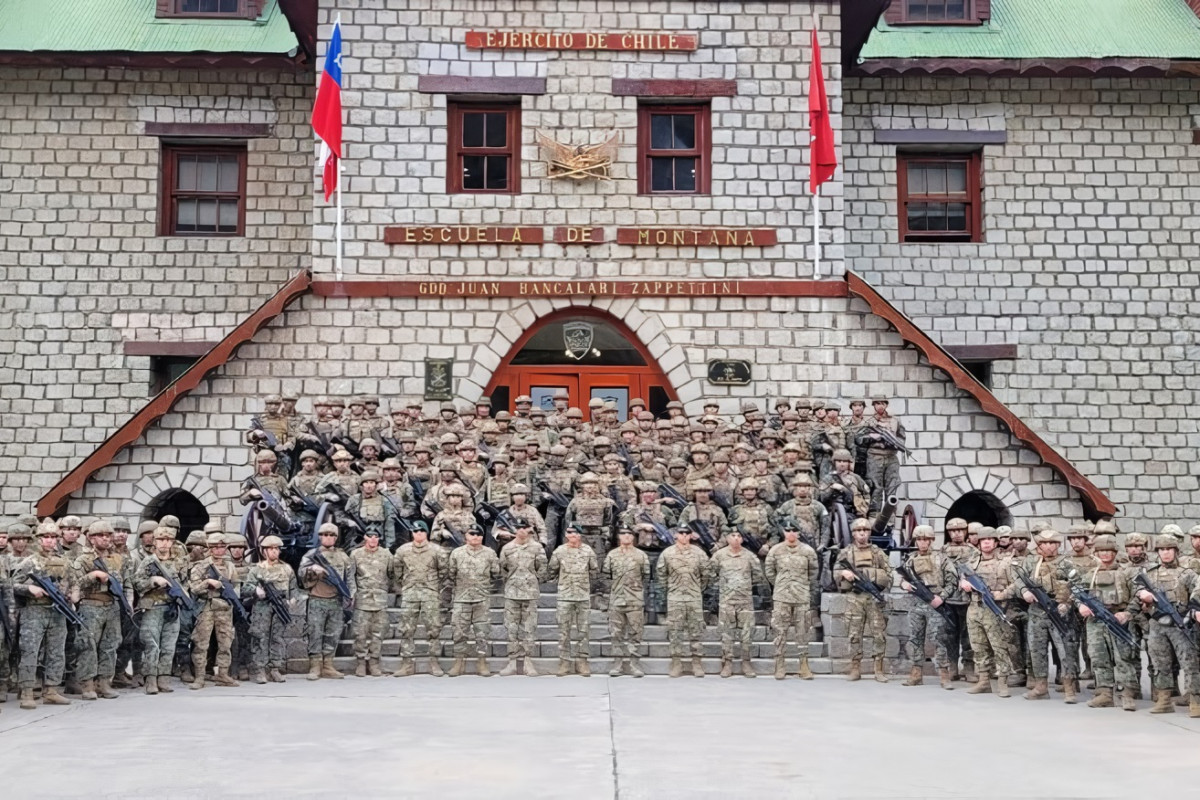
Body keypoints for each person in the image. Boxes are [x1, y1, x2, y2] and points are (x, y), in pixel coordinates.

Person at [1067, 534, 1137, 710]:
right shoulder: (1090, 574)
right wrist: (1080, 605)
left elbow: (1138, 596)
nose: (1105, 554)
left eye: (1108, 550)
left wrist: (1127, 613)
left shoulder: (1126, 573)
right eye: (1101, 551)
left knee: (1123, 657)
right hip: (1095, 621)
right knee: (1098, 656)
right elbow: (1075, 592)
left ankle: (1127, 694)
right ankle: (1104, 693)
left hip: (1117, 618)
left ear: (1115, 552)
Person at [1132, 535, 1200, 715]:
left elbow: (1198, 589)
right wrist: (1143, 595)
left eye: (1169, 549)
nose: (1166, 553)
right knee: (1160, 663)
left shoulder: (1187, 573)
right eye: (1162, 550)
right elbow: (1137, 589)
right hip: (1157, 624)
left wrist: (1195, 608)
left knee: (1190, 662)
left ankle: (1195, 701)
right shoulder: (1150, 573)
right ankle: (1164, 700)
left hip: (1180, 623)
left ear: (1176, 551)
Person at [13, 521, 76, 709]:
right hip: (34, 611)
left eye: (53, 537)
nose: (50, 541)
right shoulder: (30, 561)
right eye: (46, 537)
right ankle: (27, 692)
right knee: (30, 651)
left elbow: (73, 583)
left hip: (57, 611)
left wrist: (73, 595)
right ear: (39, 540)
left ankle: (52, 690)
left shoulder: (65, 562)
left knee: (56, 651)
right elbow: (13, 585)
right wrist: (29, 588)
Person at [1015, 530, 1079, 702]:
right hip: (1037, 611)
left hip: (1059, 611)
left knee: (1066, 650)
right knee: (1036, 650)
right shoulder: (1031, 562)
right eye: (1044, 543)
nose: (1049, 546)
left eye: (1053, 543)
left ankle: (1069, 689)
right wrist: (1024, 591)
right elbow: (1018, 580)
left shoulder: (1066, 563)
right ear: (1039, 545)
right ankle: (1041, 686)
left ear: (1058, 545)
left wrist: (1067, 603)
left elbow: (1079, 586)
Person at [71, 520, 129, 701]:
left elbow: (126, 583)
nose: (106, 539)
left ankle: (104, 682)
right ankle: (87, 684)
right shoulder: (83, 560)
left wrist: (129, 602)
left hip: (112, 606)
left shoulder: (117, 559)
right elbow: (74, 585)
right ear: (91, 538)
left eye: (108, 535)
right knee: (88, 645)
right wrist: (93, 575)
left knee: (110, 645)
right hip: (90, 605)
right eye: (101, 535)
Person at [958, 528, 1015, 697]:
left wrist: (1002, 594)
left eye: (990, 540)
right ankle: (983, 681)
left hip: (995, 609)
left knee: (999, 646)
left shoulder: (1005, 563)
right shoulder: (972, 563)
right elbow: (962, 579)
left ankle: (1002, 682)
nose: (987, 543)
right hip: (975, 608)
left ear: (996, 543)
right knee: (978, 645)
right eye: (984, 540)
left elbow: (1016, 584)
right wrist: (963, 584)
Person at [835, 517, 892, 682]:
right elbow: (835, 570)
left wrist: (878, 580)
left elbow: (889, 574)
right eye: (858, 531)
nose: (862, 533)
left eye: (865, 530)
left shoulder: (877, 553)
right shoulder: (846, 552)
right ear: (853, 533)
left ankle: (878, 669)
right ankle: (855, 668)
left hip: (873, 598)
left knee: (879, 634)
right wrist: (842, 574)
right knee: (854, 634)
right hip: (855, 597)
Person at [131, 527, 186, 696]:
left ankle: (164, 678)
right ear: (154, 542)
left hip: (171, 607)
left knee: (169, 645)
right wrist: (152, 581)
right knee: (151, 645)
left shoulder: (178, 562)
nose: (164, 543)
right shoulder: (148, 562)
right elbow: (137, 582)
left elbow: (186, 581)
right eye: (161, 540)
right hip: (152, 607)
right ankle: (151, 679)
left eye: (168, 540)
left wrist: (182, 595)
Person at [298, 523, 356, 680]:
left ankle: (328, 665)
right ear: (320, 536)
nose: (328, 537)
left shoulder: (343, 556)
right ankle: (315, 666)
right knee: (315, 633)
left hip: (335, 601)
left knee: (333, 634)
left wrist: (351, 595)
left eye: (331, 535)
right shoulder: (312, 555)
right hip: (317, 600)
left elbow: (350, 578)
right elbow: (301, 573)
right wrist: (312, 569)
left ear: (336, 538)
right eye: (325, 534)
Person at [764, 519, 820, 680]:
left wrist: (801, 584)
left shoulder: (808, 551)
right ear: (784, 533)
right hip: (782, 597)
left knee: (803, 631)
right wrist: (781, 584)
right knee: (780, 631)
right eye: (788, 531)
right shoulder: (775, 550)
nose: (791, 534)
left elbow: (813, 572)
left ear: (798, 533)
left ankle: (804, 665)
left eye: (794, 531)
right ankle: (780, 665)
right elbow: (769, 571)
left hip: (801, 597)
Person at [708, 529, 766, 678]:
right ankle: (727, 662)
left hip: (745, 602)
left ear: (742, 539)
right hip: (726, 601)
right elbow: (710, 574)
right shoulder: (719, 555)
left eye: (739, 536)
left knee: (747, 634)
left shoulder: (749, 556)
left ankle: (746, 662)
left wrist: (743, 586)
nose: (735, 538)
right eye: (732, 536)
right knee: (726, 634)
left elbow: (758, 576)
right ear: (727, 538)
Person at [392, 522, 448, 677]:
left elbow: (444, 572)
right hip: (410, 593)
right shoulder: (403, 551)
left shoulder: (437, 551)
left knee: (434, 628)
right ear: (412, 533)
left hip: (430, 593)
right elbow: (397, 571)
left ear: (427, 533)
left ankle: (434, 662)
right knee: (406, 629)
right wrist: (405, 585)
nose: (419, 533)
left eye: (422, 530)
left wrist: (433, 586)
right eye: (416, 531)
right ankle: (407, 663)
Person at [186, 532, 240, 689]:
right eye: (216, 547)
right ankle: (200, 676)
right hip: (207, 607)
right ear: (209, 548)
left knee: (225, 643)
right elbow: (194, 589)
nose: (219, 550)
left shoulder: (230, 566)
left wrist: (229, 593)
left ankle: (223, 674)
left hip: (224, 608)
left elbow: (235, 585)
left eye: (223, 547)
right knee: (201, 643)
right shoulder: (201, 566)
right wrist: (207, 583)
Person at [898, 525, 950, 688]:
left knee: (939, 638)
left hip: (935, 602)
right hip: (916, 603)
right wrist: (903, 584)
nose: (922, 543)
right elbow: (902, 579)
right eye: (919, 539)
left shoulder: (941, 558)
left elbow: (952, 581)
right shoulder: (911, 559)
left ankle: (944, 674)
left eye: (926, 539)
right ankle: (916, 673)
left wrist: (941, 598)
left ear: (931, 540)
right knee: (915, 638)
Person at [243, 535, 298, 684]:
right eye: (270, 549)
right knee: (260, 638)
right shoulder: (257, 569)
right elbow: (245, 588)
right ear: (264, 551)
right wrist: (256, 590)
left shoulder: (286, 569)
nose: (274, 551)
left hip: (280, 608)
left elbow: (294, 588)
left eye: (276, 549)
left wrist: (292, 599)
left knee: (277, 638)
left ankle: (274, 668)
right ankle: (260, 670)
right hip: (262, 609)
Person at [446, 524, 499, 677]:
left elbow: (496, 573)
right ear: (466, 536)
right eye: (472, 534)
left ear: (482, 537)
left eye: (478, 534)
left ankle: (482, 663)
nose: (475, 536)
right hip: (462, 598)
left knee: (482, 633)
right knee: (459, 632)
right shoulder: (457, 553)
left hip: (481, 599)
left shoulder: (489, 553)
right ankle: (458, 662)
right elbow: (451, 574)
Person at [657, 526, 710, 678]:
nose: (685, 536)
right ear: (676, 535)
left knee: (696, 631)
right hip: (675, 597)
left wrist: (696, 589)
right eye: (681, 533)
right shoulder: (667, 553)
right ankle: (676, 662)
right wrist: (672, 588)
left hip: (694, 597)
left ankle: (696, 663)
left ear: (691, 536)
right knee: (675, 631)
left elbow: (706, 574)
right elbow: (661, 575)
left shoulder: (699, 553)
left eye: (687, 533)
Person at [547, 524, 599, 676]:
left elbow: (594, 570)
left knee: (583, 631)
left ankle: (582, 661)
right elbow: (552, 569)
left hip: (582, 596)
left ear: (580, 535)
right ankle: (564, 662)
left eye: (574, 533)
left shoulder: (588, 551)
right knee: (564, 631)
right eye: (568, 532)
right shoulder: (560, 551)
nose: (571, 535)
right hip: (565, 596)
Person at [498, 520, 547, 677]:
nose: (522, 530)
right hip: (512, 593)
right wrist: (514, 581)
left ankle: (528, 661)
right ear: (514, 529)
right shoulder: (507, 548)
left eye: (525, 527)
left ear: (530, 529)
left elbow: (542, 568)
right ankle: (512, 662)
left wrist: (532, 580)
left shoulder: (537, 548)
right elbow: (502, 569)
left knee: (529, 628)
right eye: (519, 527)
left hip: (530, 593)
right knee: (511, 628)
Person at [603, 527, 651, 678]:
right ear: (618, 537)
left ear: (633, 537)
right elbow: (606, 575)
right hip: (616, 600)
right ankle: (617, 665)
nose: (626, 536)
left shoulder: (641, 555)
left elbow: (646, 576)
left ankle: (634, 665)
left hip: (634, 600)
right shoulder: (612, 555)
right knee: (616, 633)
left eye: (629, 534)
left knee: (635, 633)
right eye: (623, 533)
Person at [350, 529, 393, 677]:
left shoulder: (387, 555)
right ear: (365, 537)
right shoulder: (355, 555)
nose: (373, 539)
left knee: (378, 634)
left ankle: (374, 662)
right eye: (370, 536)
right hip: (362, 599)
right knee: (360, 633)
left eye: (376, 536)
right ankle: (361, 662)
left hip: (380, 600)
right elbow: (351, 577)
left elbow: (392, 574)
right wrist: (352, 594)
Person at [939, 517, 977, 682]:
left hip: (967, 600)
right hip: (949, 599)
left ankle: (968, 667)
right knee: (949, 635)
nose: (957, 534)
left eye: (960, 530)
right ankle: (952, 666)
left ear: (965, 531)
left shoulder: (973, 550)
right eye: (953, 531)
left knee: (968, 635)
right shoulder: (943, 551)